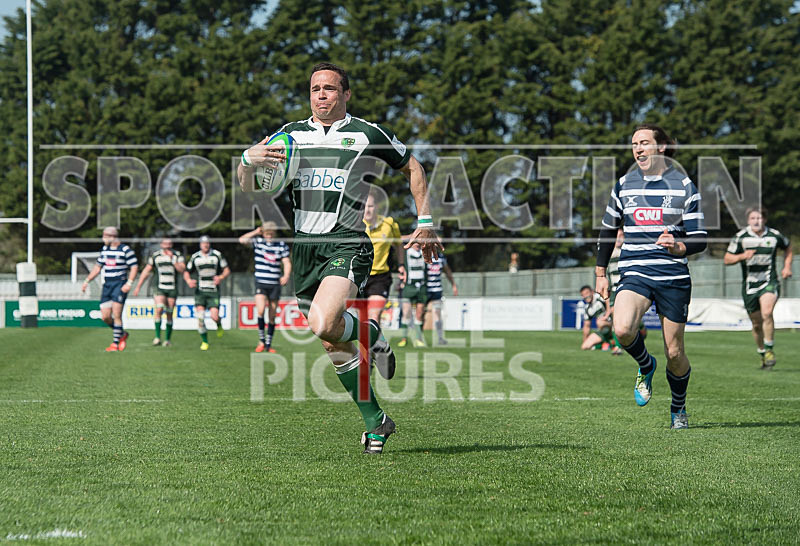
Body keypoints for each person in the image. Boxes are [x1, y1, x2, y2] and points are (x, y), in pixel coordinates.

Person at [237, 62, 441, 454]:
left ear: (345, 94)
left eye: (329, 88)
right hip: (304, 249)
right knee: (332, 342)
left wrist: (426, 221)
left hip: (347, 241)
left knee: (323, 322)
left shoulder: (367, 133)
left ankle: (372, 335)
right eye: (315, 89)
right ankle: (377, 422)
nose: (321, 95)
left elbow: (412, 166)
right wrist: (247, 160)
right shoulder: (289, 136)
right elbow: (252, 188)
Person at [596, 124, 706, 429]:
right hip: (635, 271)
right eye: (634, 144)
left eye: (644, 142)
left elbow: (700, 238)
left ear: (661, 147)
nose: (638, 149)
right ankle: (646, 365)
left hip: (672, 276)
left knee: (675, 352)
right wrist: (600, 272)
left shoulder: (683, 185)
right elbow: (608, 230)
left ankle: (678, 409)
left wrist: (679, 246)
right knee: (622, 329)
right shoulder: (623, 184)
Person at [724, 207, 792, 369]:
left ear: (765, 220)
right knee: (756, 323)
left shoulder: (774, 236)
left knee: (767, 313)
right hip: (749, 286)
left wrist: (787, 267)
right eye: (753, 218)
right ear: (748, 221)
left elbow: (788, 248)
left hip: (769, 281)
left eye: (759, 218)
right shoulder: (741, 237)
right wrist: (743, 256)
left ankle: (769, 350)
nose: (756, 221)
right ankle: (762, 353)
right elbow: (727, 259)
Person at [81, 227, 138, 352]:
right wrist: (87, 281)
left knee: (117, 314)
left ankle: (115, 343)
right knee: (105, 317)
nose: (103, 239)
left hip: (119, 284)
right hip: (107, 285)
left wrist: (129, 283)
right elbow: (97, 267)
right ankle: (122, 333)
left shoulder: (125, 250)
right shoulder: (105, 250)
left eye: (104, 236)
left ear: (112, 236)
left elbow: (134, 266)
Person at [239, 221, 292, 353]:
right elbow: (242, 240)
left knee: (272, 316)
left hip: (274, 284)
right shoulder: (258, 242)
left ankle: (268, 344)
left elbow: (286, 262)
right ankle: (261, 341)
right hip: (261, 282)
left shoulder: (281, 245)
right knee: (261, 310)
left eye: (271, 234)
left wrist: (286, 275)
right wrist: (256, 232)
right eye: (267, 233)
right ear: (263, 233)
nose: (269, 236)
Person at [133, 238, 185, 347]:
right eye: (165, 244)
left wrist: (173, 260)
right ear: (161, 245)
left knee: (169, 312)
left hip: (172, 287)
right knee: (159, 308)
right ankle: (157, 338)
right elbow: (146, 271)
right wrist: (138, 286)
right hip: (159, 286)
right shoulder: (156, 256)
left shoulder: (177, 255)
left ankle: (167, 340)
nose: (167, 246)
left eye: (169, 243)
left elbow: (182, 270)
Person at [363, 191, 404, 325]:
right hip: (358, 277)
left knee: (374, 315)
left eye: (370, 206)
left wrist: (401, 265)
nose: (367, 210)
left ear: (377, 206)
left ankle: (373, 338)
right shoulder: (355, 226)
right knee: (361, 318)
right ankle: (374, 338)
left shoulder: (389, 224)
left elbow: (398, 244)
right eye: (364, 206)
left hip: (380, 277)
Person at [183, 235, 231, 351]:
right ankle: (205, 341)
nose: (206, 245)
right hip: (200, 291)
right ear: (200, 245)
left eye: (207, 243)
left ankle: (218, 324)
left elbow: (226, 270)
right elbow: (186, 272)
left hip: (213, 291)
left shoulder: (217, 255)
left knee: (214, 316)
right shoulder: (195, 257)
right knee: (200, 317)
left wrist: (221, 277)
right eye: (203, 243)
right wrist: (189, 281)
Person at [398, 241, 428, 348]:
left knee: (419, 314)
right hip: (408, 287)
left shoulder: (425, 252)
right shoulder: (406, 252)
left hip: (422, 287)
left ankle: (419, 338)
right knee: (406, 313)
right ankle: (404, 338)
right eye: (415, 241)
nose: (417, 244)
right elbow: (397, 241)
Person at [426, 251, 457, 345]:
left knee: (437, 313)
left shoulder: (441, 257)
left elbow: (447, 271)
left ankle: (440, 338)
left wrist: (453, 285)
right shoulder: (423, 254)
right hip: (424, 290)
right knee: (420, 313)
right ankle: (418, 338)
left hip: (437, 290)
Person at [578, 285, 614, 351]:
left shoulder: (599, 297)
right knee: (584, 346)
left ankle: (613, 343)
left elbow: (610, 302)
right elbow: (586, 326)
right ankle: (607, 344)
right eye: (583, 295)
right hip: (603, 329)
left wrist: (607, 315)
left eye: (587, 293)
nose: (586, 296)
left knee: (600, 321)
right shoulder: (587, 308)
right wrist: (585, 340)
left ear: (592, 292)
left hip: (612, 324)